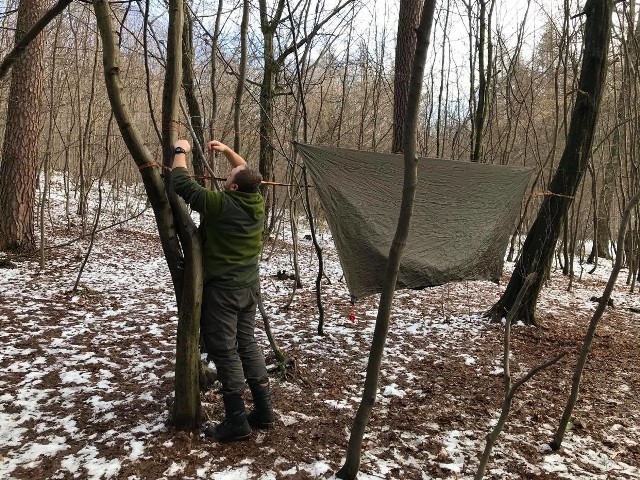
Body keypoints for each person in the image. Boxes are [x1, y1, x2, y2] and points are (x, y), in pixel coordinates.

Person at [171, 139, 274, 442]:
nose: (226, 176)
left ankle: (236, 421)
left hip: (224, 293)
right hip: (248, 288)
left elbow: (181, 182)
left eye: (228, 178)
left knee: (226, 352)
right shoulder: (255, 200)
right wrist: (228, 152)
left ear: (232, 188)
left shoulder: (222, 205)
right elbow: (244, 172)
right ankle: (264, 412)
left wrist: (180, 150)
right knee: (247, 344)